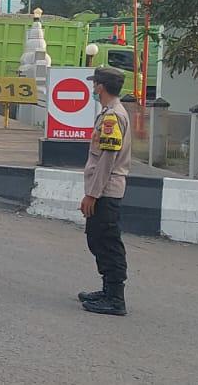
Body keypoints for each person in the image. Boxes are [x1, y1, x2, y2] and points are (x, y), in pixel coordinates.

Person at [78, 66, 132, 316]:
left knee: (107, 242)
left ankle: (115, 298)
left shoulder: (112, 117)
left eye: (94, 84)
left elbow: (107, 160)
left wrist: (92, 194)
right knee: (97, 238)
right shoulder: (111, 113)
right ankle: (107, 290)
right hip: (103, 189)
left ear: (100, 87)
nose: (93, 88)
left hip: (106, 191)